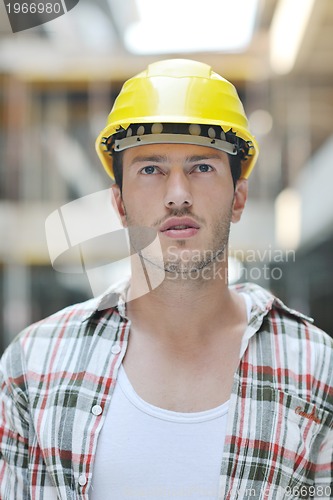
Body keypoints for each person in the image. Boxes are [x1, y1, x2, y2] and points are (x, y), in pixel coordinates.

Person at [0, 59, 332, 500]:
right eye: (151, 169)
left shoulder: (315, 368)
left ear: (239, 198)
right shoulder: (34, 366)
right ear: (119, 204)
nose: (178, 194)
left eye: (203, 167)